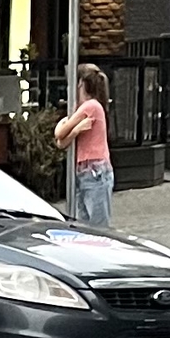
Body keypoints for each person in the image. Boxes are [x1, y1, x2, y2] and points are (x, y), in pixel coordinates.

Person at [56, 62, 114, 226]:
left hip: (95, 170)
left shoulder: (91, 106)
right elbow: (61, 142)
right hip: (86, 171)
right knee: (85, 223)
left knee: (97, 225)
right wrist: (75, 131)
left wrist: (69, 128)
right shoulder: (81, 109)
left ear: (80, 83)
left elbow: (60, 132)